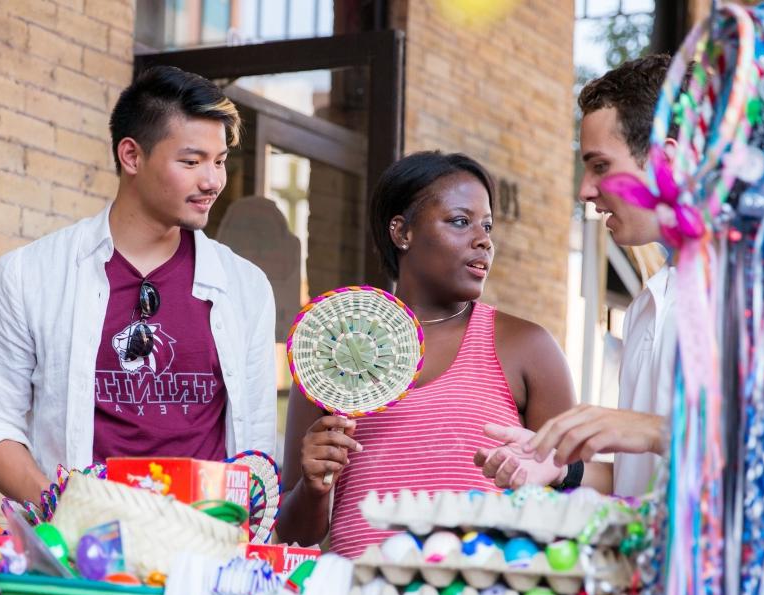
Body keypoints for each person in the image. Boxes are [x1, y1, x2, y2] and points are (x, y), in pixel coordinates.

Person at [0, 66, 278, 506]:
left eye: (220, 161)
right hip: (80, 556)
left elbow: (257, 440)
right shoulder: (28, 275)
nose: (212, 181)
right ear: (131, 156)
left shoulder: (245, 287)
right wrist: (65, 512)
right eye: (191, 162)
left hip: (206, 549)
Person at [276, 151, 586, 558]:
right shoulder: (333, 349)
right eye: (461, 221)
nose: (484, 240)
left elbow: (571, 503)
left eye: (487, 226)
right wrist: (314, 486)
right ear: (401, 232)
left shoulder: (528, 348)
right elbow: (295, 537)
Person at [475, 54, 675, 497]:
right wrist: (561, 469)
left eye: (600, 165)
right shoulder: (649, 302)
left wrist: (652, 429)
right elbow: (637, 484)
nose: (585, 190)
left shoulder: (755, 291)